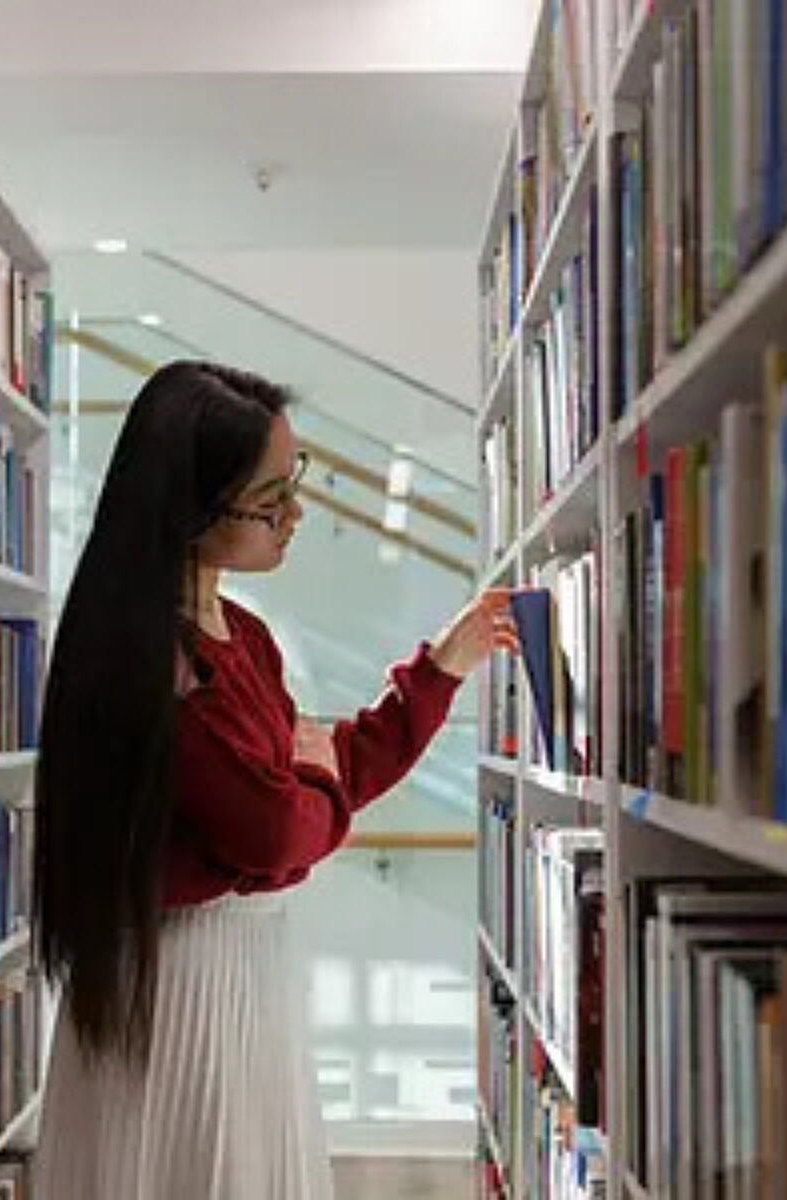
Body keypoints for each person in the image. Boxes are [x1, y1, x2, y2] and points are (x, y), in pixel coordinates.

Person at [32, 361, 517, 1199]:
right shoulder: (157, 662)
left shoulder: (242, 638)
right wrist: (305, 794)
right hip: (181, 990)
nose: (296, 515)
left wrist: (440, 669)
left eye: (295, 482)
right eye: (268, 501)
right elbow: (271, 830)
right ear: (190, 510)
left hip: (239, 975)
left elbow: (324, 780)